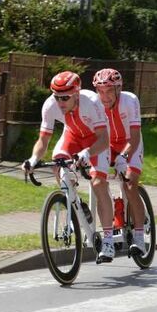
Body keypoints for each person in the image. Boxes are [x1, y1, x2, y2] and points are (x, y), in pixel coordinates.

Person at [22, 70, 117, 263]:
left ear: (76, 94)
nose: (60, 102)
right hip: (72, 136)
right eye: (57, 97)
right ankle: (77, 204)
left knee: (98, 183)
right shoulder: (50, 106)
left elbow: (104, 140)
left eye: (65, 97)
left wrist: (88, 153)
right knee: (57, 164)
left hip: (96, 140)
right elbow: (44, 140)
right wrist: (32, 159)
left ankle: (108, 240)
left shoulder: (91, 102)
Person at [92, 68, 146, 258]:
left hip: (130, 143)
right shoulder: (95, 105)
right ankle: (112, 225)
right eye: (100, 91)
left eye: (109, 91)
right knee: (98, 181)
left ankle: (139, 238)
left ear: (118, 89)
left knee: (130, 185)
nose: (104, 97)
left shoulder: (130, 101)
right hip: (107, 145)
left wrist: (123, 156)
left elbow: (135, 136)